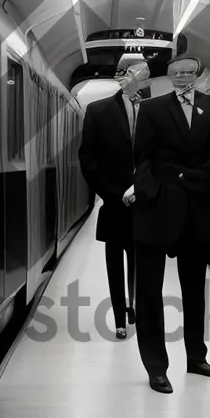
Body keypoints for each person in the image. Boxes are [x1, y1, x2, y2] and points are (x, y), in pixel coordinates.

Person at [132, 54, 210, 392]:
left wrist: (192, 177)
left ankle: (196, 358)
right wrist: (162, 186)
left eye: (189, 71)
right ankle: (156, 367)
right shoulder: (152, 109)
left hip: (198, 211)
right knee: (149, 293)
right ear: (169, 75)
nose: (183, 77)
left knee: (194, 290)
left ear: (198, 74)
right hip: (157, 211)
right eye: (176, 73)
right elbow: (142, 158)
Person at [78, 58, 150, 339]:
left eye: (144, 75)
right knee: (114, 263)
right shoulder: (98, 111)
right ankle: (120, 316)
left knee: (142, 262)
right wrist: (111, 194)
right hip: (114, 203)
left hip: (146, 201)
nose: (139, 79)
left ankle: (137, 308)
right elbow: (88, 159)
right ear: (124, 76)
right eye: (135, 74)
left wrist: (146, 188)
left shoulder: (154, 110)